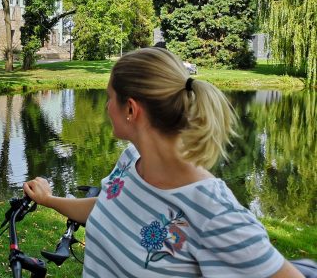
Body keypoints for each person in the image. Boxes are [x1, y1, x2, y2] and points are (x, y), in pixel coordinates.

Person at [23, 47, 304, 277]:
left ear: (131, 109)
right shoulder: (130, 162)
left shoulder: (215, 213)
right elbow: (107, 207)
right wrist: (49, 200)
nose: (106, 107)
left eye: (109, 98)